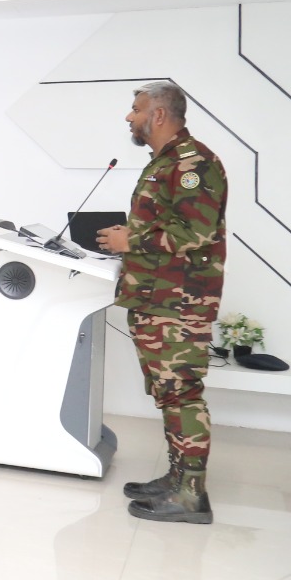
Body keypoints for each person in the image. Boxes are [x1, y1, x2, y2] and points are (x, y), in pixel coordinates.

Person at [96, 81, 228, 526]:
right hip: (156, 299)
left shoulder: (193, 163)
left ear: (158, 114)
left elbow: (197, 231)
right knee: (168, 394)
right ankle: (178, 479)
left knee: (183, 394)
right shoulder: (165, 162)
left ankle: (191, 496)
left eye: (135, 109)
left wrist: (130, 239)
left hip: (180, 304)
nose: (129, 117)